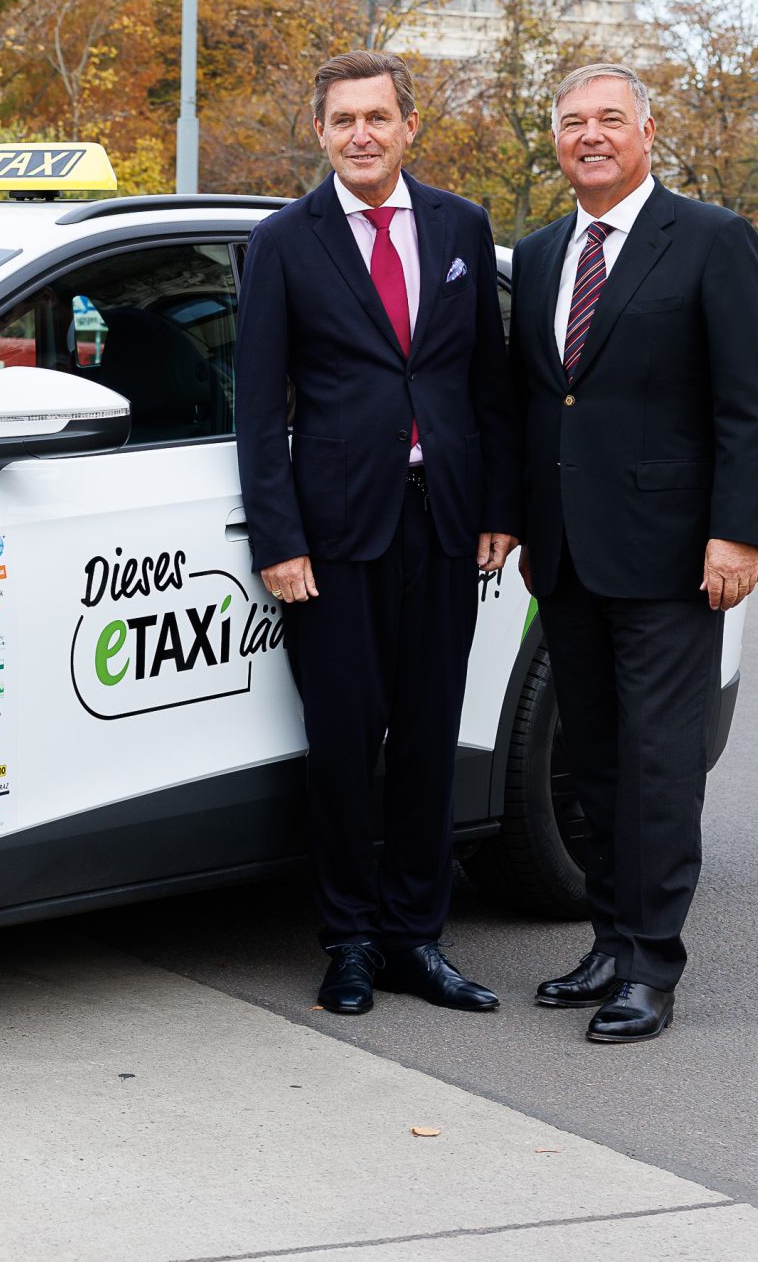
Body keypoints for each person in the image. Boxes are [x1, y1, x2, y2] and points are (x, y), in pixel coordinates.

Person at [237, 50, 520, 1017]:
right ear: (319, 132)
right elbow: (255, 407)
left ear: (409, 126)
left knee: (430, 739)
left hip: (442, 525)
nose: (361, 133)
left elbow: (487, 382)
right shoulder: (282, 241)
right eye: (342, 119)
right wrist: (279, 538)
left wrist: (498, 505)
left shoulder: (461, 227)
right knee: (346, 744)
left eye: (378, 117)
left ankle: (416, 939)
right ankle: (350, 940)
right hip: (332, 537)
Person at [508, 62, 758, 1045]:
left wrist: (739, 532)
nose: (589, 135)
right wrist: (518, 521)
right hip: (567, 557)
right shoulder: (540, 255)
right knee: (593, 763)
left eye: (608, 120)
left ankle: (650, 968)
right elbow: (534, 404)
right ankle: (608, 941)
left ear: (646, 132)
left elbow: (751, 402)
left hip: (676, 557)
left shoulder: (710, 240)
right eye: (573, 121)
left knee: (661, 765)